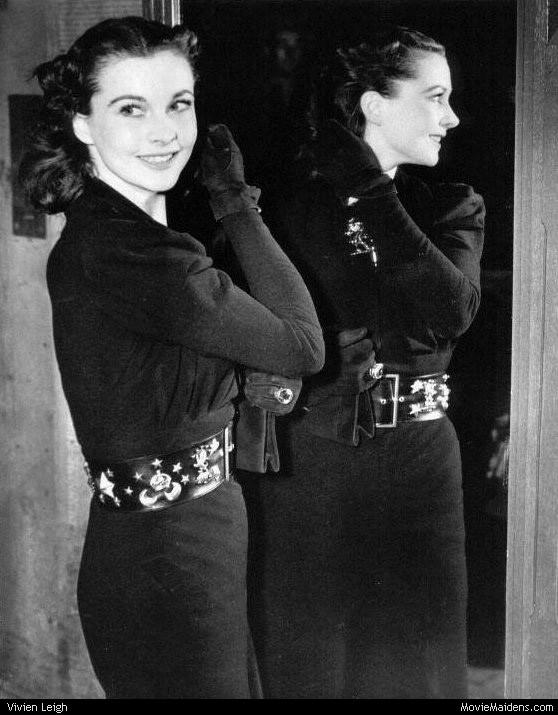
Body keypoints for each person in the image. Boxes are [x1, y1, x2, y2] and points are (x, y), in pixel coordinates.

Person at [20, 16, 324, 699]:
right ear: (83, 124)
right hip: (170, 557)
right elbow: (302, 345)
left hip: (181, 539)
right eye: (132, 109)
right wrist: (235, 202)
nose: (164, 131)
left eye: (178, 104)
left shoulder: (122, 235)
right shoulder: (137, 254)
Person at [240, 26, 485, 699]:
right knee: (311, 666)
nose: (451, 117)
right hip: (313, 463)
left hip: (423, 464)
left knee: (421, 668)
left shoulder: (451, 205)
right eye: (435, 97)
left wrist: (371, 190)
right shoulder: (288, 207)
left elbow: (450, 312)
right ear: (376, 105)